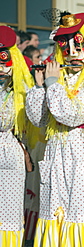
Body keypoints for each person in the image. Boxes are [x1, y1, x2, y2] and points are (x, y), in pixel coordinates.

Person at [25, 11, 84, 246]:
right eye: (66, 49)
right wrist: (39, 88)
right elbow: (40, 120)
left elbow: (71, 115)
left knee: (81, 217)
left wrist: (52, 84)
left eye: (79, 46)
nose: (74, 53)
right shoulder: (59, 78)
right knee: (57, 214)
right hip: (58, 158)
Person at [0, 25, 34, 246]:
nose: (1, 68)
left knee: (10, 213)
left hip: (10, 154)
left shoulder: (21, 92)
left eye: (5, 61)